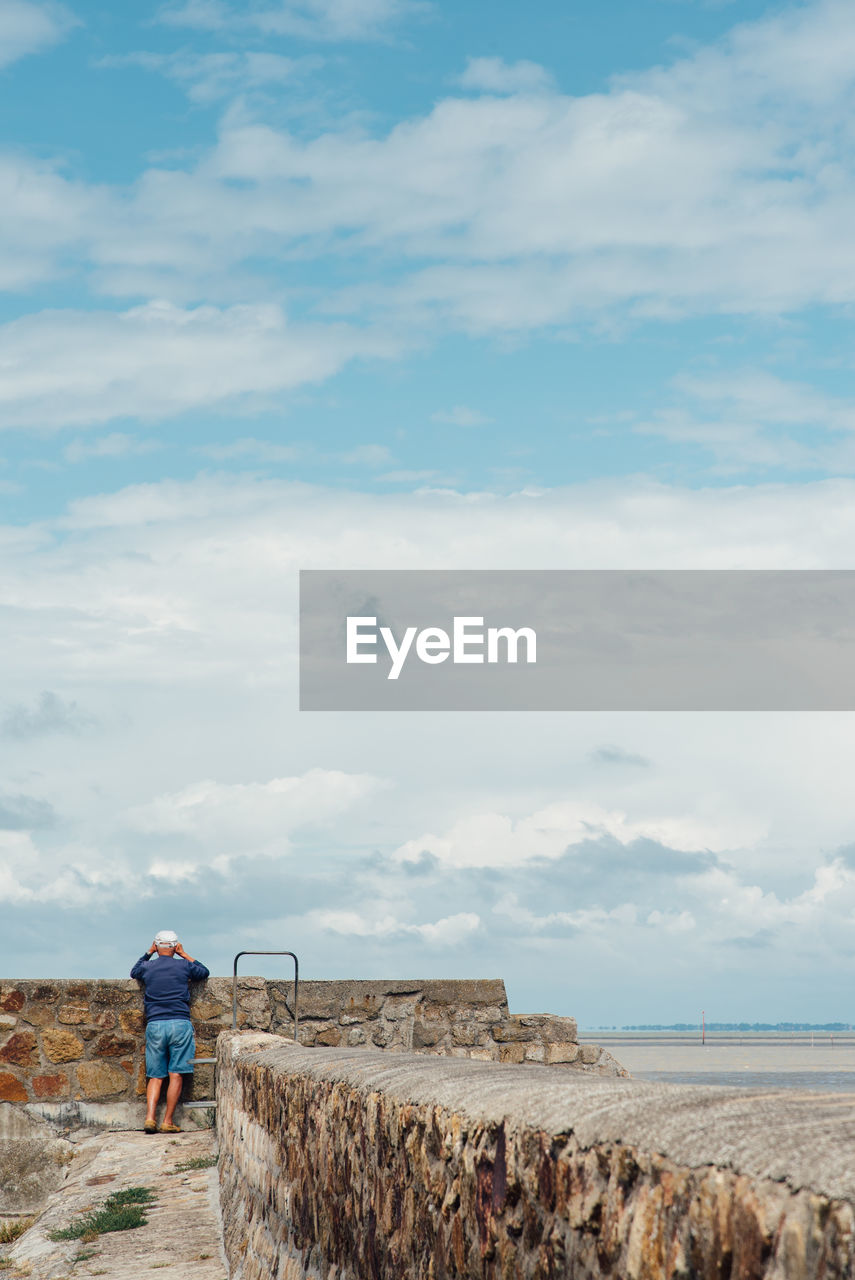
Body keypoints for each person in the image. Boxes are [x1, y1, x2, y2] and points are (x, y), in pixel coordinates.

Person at [130, 930, 210, 1134]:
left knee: (155, 1076)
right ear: (175, 946)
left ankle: (149, 1119)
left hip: (156, 1024)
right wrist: (184, 954)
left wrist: (149, 952)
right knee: (176, 1074)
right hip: (179, 1023)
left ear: (156, 946)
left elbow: (134, 971)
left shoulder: (148, 967)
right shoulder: (183, 965)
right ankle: (167, 1121)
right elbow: (204, 972)